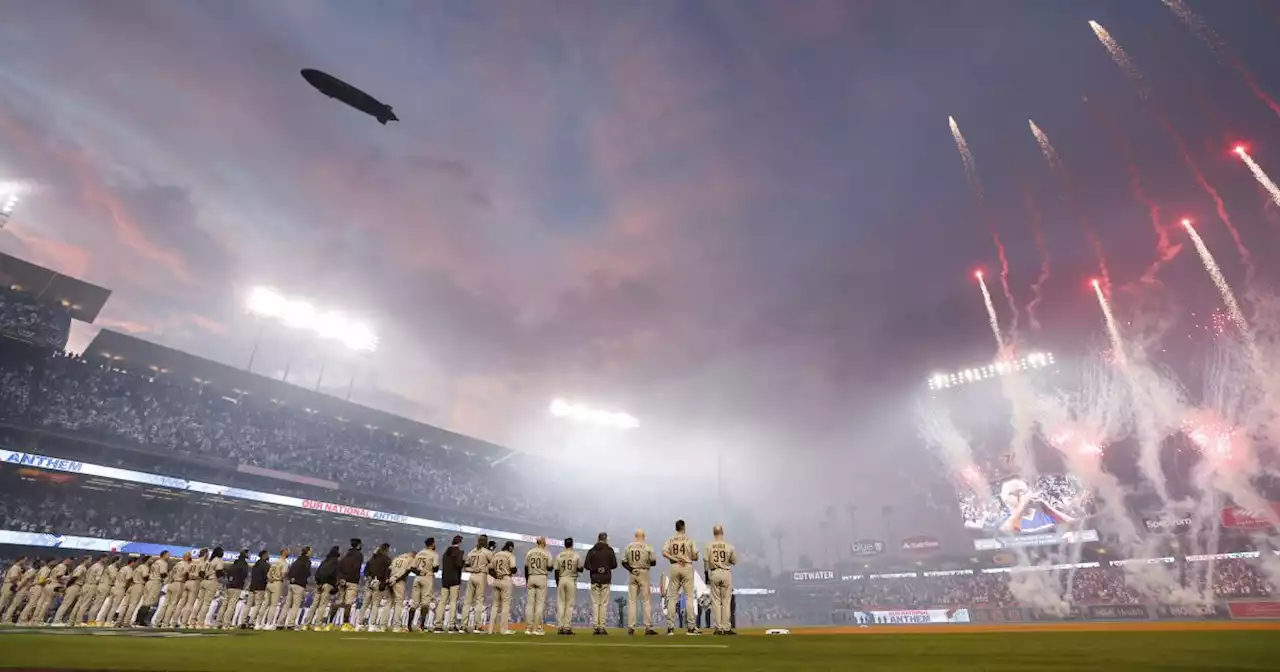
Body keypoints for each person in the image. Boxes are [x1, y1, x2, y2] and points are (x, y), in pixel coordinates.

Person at [663, 519, 700, 635]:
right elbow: (695, 556)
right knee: (689, 597)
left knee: (672, 598)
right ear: (684, 527)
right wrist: (688, 557)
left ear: (676, 528)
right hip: (687, 566)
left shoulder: (671, 539)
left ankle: (670, 628)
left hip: (674, 566)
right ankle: (691, 627)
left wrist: (674, 558)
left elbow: (664, 552)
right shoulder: (689, 539)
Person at [622, 528, 658, 635]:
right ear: (644, 536)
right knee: (646, 600)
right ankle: (648, 627)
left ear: (635, 536)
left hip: (632, 573)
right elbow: (653, 562)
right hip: (644, 572)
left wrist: (632, 569)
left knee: (632, 601)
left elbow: (624, 562)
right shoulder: (647, 547)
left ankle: (631, 627)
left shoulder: (629, 546)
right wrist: (645, 563)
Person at [704, 524, 738, 635]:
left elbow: (705, 561)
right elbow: (734, 561)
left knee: (716, 601)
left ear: (714, 533)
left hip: (714, 572)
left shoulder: (709, 546)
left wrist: (706, 575)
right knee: (726, 601)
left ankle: (718, 628)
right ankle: (726, 627)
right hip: (725, 572)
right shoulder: (729, 546)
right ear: (722, 532)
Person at [585, 532, 617, 635]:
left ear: (598, 539)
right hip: (606, 579)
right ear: (606, 539)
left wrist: (595, 569)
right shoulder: (610, 550)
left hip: (594, 578)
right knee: (603, 604)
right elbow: (614, 565)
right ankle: (602, 627)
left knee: (595, 604)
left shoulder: (592, 550)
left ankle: (595, 627)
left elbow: (586, 565)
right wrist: (604, 568)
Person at [460, 536, 491, 633]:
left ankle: (463, 626)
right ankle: (478, 626)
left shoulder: (471, 552)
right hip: (481, 576)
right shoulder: (487, 552)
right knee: (479, 601)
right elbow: (493, 564)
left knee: (467, 601)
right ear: (485, 542)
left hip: (471, 576)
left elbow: (465, 567)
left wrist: (472, 569)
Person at [553, 537, 583, 635]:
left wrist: (558, 583)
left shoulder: (559, 555)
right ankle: (567, 627)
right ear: (572, 544)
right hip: (571, 579)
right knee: (569, 605)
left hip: (561, 579)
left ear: (564, 544)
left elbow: (556, 571)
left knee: (561, 604)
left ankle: (560, 627)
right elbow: (581, 568)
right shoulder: (576, 555)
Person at [523, 537, 552, 636]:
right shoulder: (546, 552)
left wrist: (527, 580)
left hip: (531, 577)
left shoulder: (530, 552)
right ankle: (537, 628)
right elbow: (550, 567)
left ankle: (528, 628)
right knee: (539, 604)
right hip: (541, 577)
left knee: (530, 604)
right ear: (544, 543)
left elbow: (526, 567)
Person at [487, 541, 517, 635]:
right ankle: (503, 629)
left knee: (495, 605)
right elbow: (513, 568)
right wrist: (512, 570)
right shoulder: (510, 555)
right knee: (505, 605)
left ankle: (490, 629)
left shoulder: (496, 554)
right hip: (506, 579)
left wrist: (496, 576)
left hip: (496, 580)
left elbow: (490, 569)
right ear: (510, 547)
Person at [189, 547, 223, 628]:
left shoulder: (208, 561)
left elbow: (201, 573)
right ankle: (200, 623)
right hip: (212, 581)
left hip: (204, 581)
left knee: (199, 603)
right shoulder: (218, 560)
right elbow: (219, 573)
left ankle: (192, 622)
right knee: (206, 604)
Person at [436, 535, 464, 632]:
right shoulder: (458, 552)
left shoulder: (445, 553)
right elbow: (459, 564)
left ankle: (438, 624)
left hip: (445, 580)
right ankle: (452, 625)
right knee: (453, 602)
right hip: (454, 580)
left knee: (442, 602)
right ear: (459, 543)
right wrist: (464, 562)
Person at [410, 537, 438, 632]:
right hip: (427, 577)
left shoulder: (419, 553)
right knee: (425, 603)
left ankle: (408, 626)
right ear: (433, 544)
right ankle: (421, 626)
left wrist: (419, 572)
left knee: (414, 603)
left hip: (417, 578)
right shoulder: (434, 554)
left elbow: (412, 568)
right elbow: (435, 568)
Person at [335, 539, 364, 632]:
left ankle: (329, 623)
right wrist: (349, 578)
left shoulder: (345, 555)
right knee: (348, 603)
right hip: (352, 581)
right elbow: (356, 568)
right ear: (359, 545)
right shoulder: (359, 555)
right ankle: (345, 624)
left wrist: (341, 578)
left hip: (342, 580)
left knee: (338, 601)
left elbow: (339, 567)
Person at [361, 543, 391, 631]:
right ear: (386, 550)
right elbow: (387, 572)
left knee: (365, 604)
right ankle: (372, 625)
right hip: (378, 582)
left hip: (369, 582)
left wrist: (368, 576)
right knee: (375, 604)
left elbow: (365, 570)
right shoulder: (386, 559)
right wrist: (383, 583)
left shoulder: (372, 559)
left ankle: (359, 624)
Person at [53, 557, 91, 626]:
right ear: (85, 560)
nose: (90, 561)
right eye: (90, 559)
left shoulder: (83, 568)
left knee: (71, 606)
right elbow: (75, 577)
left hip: (77, 586)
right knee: (66, 603)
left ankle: (68, 621)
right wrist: (67, 586)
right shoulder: (81, 567)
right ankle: (56, 621)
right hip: (74, 586)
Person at [310, 547, 339, 631]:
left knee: (314, 605)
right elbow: (335, 574)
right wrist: (335, 585)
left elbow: (317, 573)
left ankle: (306, 623)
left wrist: (319, 583)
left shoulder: (324, 561)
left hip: (319, 585)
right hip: (328, 584)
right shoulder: (336, 562)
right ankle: (318, 624)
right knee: (322, 605)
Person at [155, 552, 188, 627]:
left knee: (165, 604)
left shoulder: (177, 564)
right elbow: (186, 575)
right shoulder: (186, 565)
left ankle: (157, 621)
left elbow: (170, 575)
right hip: (179, 583)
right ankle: (165, 622)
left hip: (171, 583)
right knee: (173, 604)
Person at [388, 547, 416, 632]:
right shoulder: (410, 559)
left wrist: (388, 579)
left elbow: (389, 569)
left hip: (390, 578)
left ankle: (382, 626)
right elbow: (408, 571)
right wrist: (396, 580)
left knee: (389, 602)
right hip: (399, 580)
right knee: (399, 603)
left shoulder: (397, 558)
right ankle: (396, 626)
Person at [260, 548, 289, 630]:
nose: (289, 553)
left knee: (265, 604)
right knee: (273, 605)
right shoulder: (284, 563)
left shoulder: (274, 562)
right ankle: (268, 624)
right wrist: (280, 578)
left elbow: (268, 574)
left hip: (269, 583)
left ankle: (259, 623)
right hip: (277, 583)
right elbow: (283, 575)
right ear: (284, 552)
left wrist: (270, 579)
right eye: (288, 552)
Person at [284, 546, 312, 630]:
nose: (311, 553)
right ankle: (291, 624)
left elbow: (290, 572)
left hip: (291, 584)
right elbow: (307, 573)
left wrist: (291, 577)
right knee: (296, 605)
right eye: (310, 551)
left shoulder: (296, 560)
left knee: (287, 605)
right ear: (307, 552)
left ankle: (280, 623)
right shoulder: (307, 561)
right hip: (299, 584)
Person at [139, 551, 169, 628]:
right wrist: (168, 575)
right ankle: (141, 620)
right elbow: (163, 574)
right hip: (156, 582)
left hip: (150, 581)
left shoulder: (155, 562)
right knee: (149, 602)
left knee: (145, 601)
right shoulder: (163, 563)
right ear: (164, 555)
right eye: (168, 555)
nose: (169, 556)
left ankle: (139, 619)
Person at [219, 550, 248, 629]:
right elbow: (245, 575)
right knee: (231, 606)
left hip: (229, 585)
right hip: (237, 586)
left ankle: (218, 622)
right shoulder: (244, 564)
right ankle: (226, 623)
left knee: (225, 604)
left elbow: (228, 573)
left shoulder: (234, 563)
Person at [178, 549, 206, 627]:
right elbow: (202, 574)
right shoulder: (203, 562)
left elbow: (186, 573)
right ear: (205, 554)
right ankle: (184, 623)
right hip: (195, 582)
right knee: (190, 604)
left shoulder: (193, 561)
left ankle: (174, 621)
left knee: (181, 603)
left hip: (187, 582)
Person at [90, 555, 120, 627]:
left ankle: (96, 621)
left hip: (105, 587)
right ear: (116, 560)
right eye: (120, 560)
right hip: (104, 587)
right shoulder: (111, 568)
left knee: (100, 605)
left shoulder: (112, 568)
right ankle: (91, 622)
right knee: (97, 605)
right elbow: (113, 578)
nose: (120, 562)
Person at [122, 555, 149, 627]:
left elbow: (130, 578)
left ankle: (119, 621)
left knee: (125, 605)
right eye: (151, 559)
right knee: (132, 605)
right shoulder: (144, 567)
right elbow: (145, 576)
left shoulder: (137, 567)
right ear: (148, 560)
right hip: (138, 585)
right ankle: (126, 622)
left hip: (132, 586)